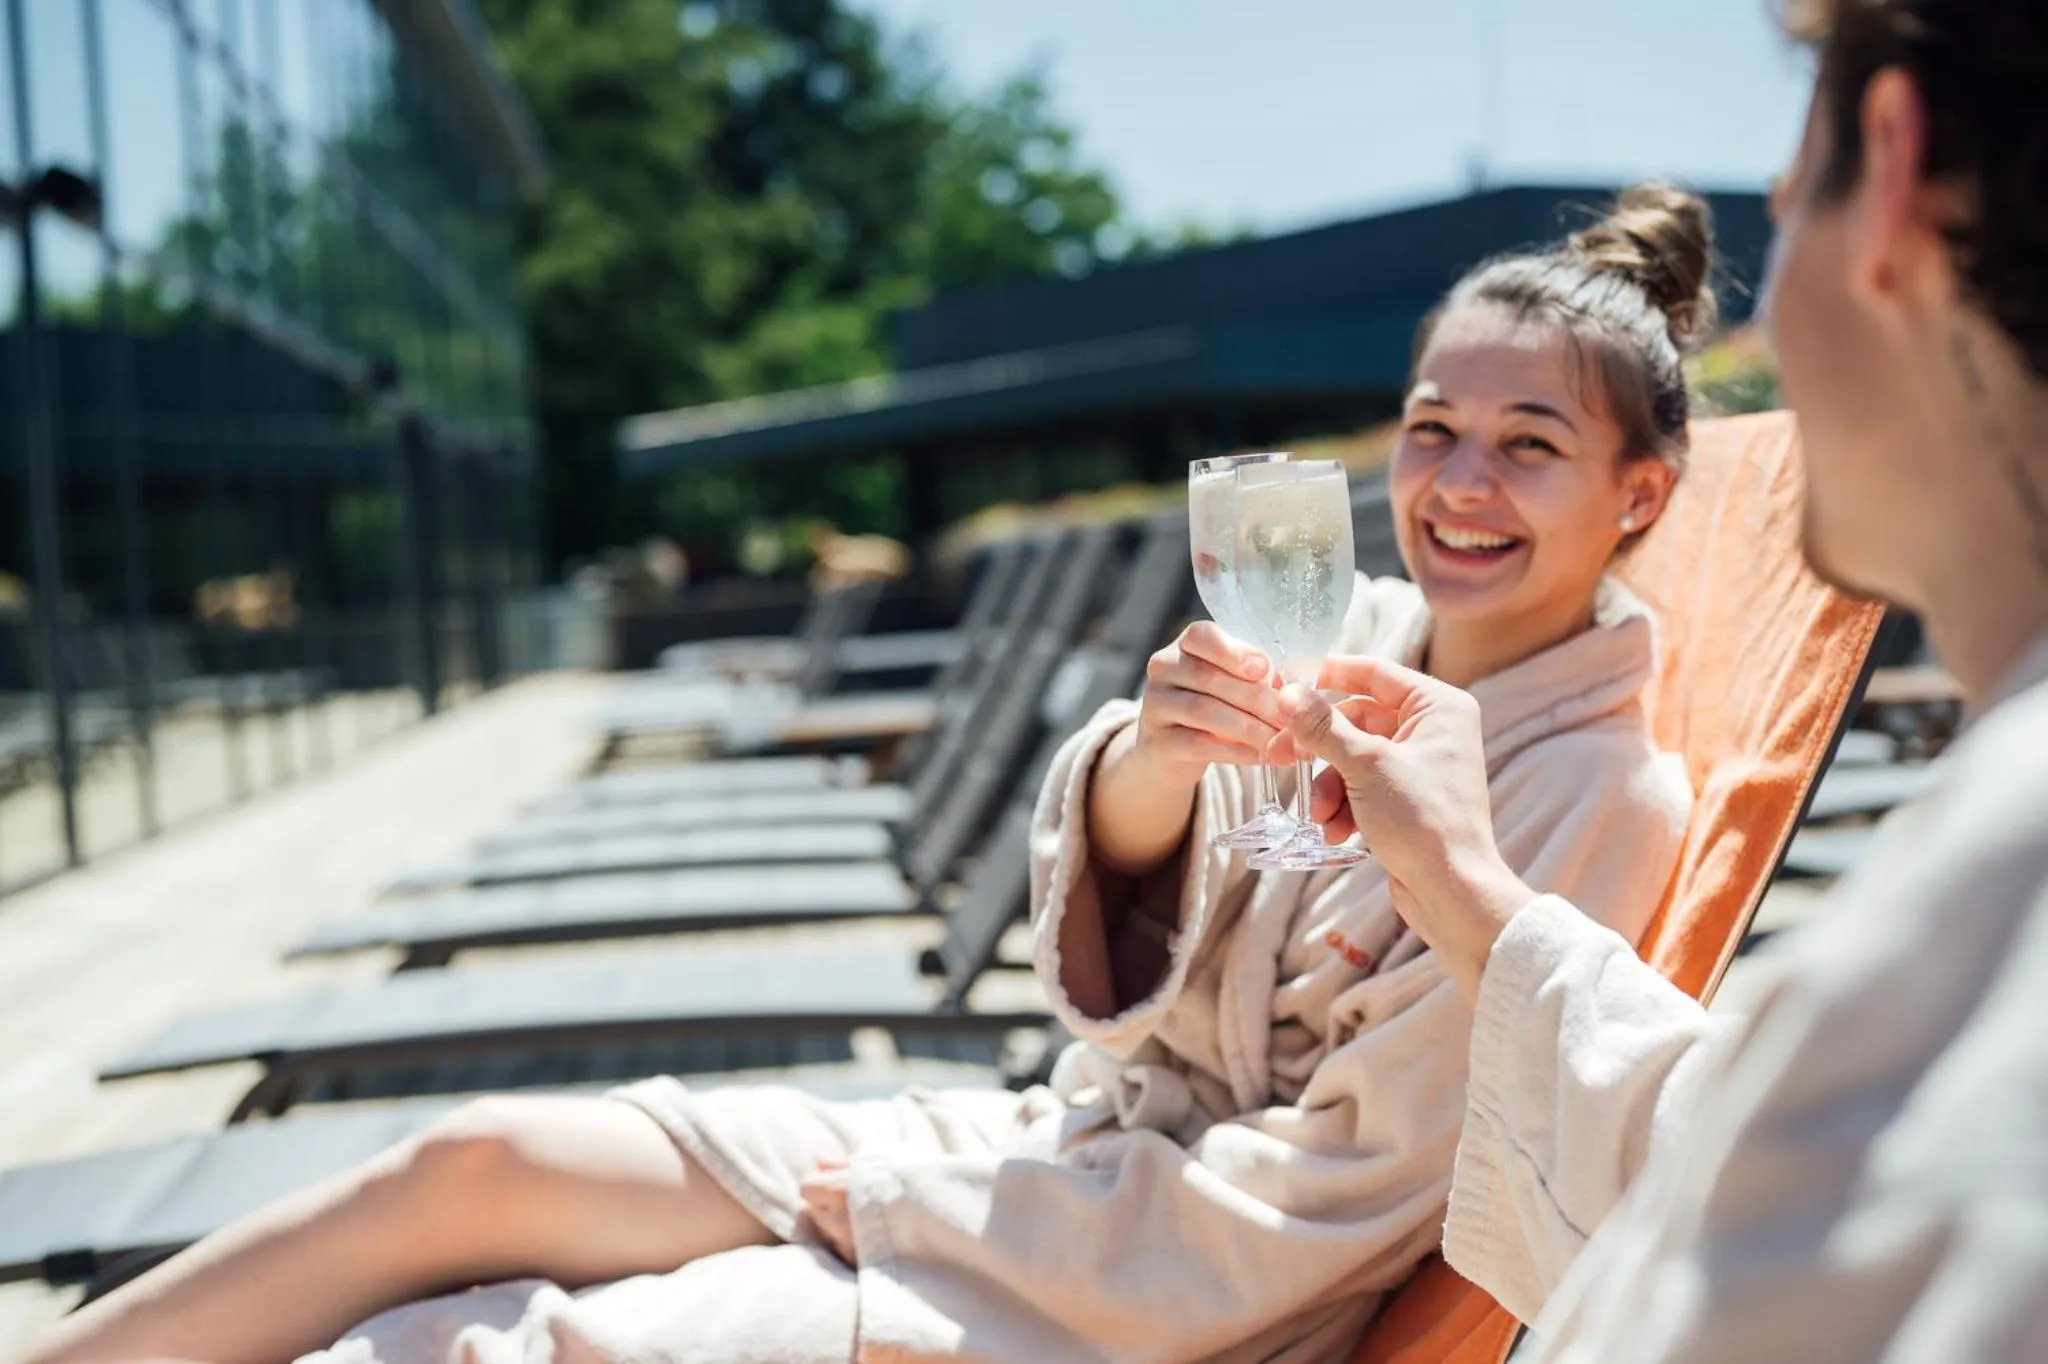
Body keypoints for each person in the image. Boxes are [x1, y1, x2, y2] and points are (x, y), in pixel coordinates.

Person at [28, 185, 1711, 1364]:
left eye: (1531, 444)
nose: (1460, 480)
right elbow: (1127, 893)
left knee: (495, 1339)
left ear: (1639, 496)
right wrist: (1152, 755)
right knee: (463, 1167)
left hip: (1150, 1297)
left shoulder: (1595, 800)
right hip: (1061, 1156)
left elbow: (1335, 1210)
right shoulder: (1350, 629)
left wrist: (901, 1212)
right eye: (1432, 427)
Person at [1265, 2, 2048, 1358]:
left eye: (1792, 203)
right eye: (1433, 430)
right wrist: (1468, 891)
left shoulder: (1990, 914)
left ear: (1893, 168)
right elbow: (1737, 1174)